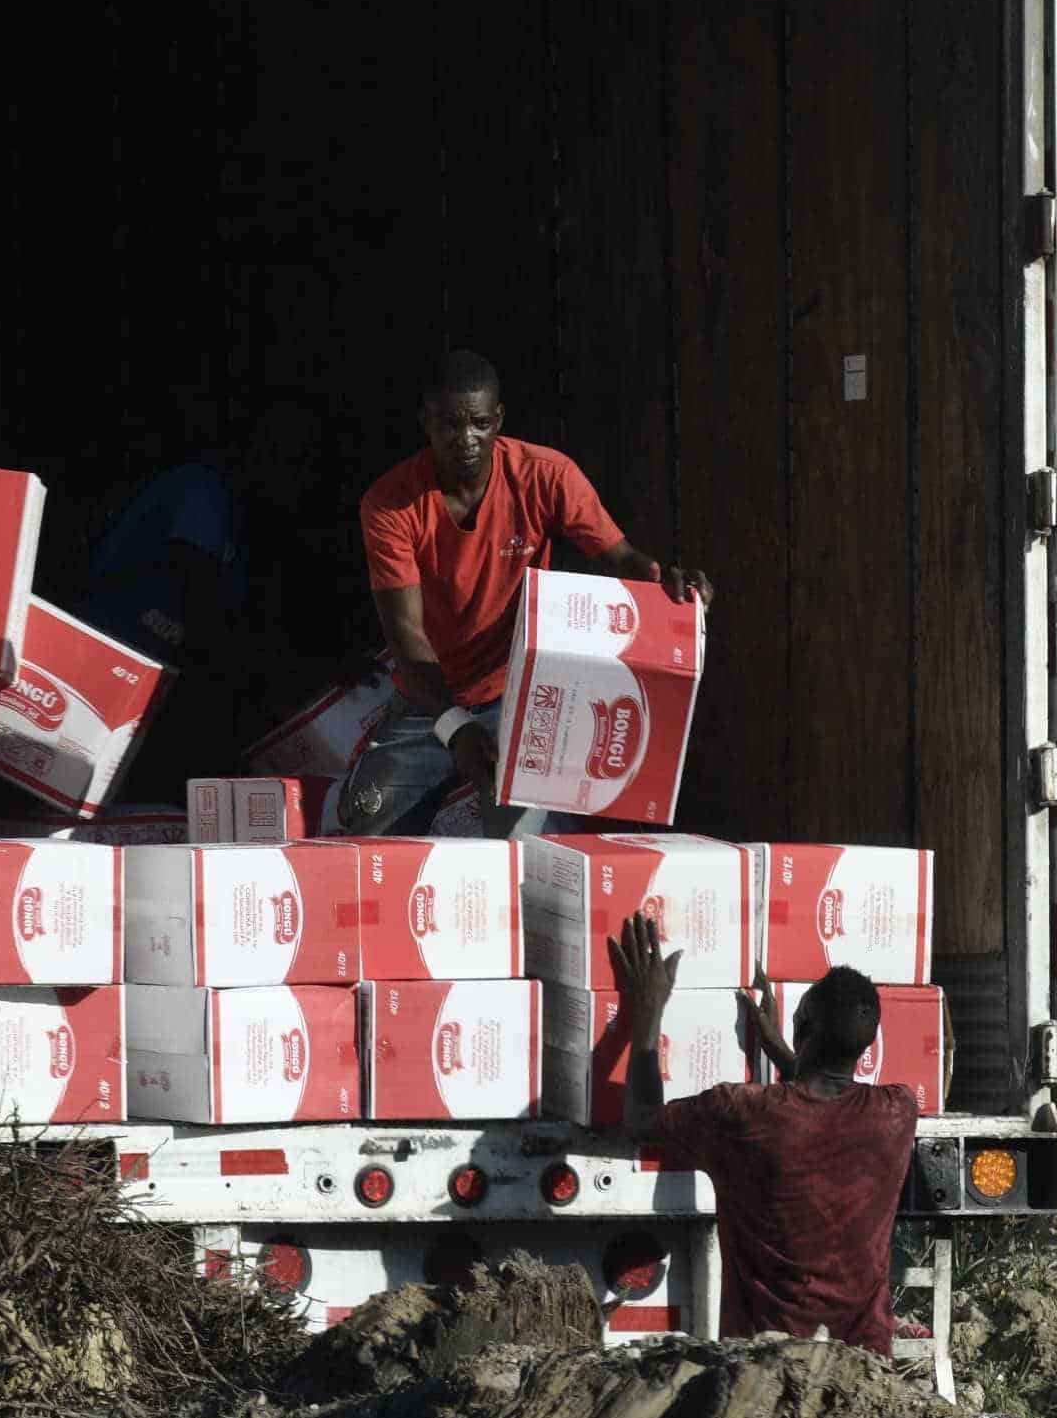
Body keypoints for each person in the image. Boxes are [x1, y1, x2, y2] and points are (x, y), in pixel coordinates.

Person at [340, 350, 708, 836]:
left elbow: (622, 559)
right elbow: (407, 639)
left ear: (498, 420)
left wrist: (667, 584)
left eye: (478, 423)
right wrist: (455, 728)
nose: (466, 439)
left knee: (533, 853)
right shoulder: (390, 503)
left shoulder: (545, 474)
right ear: (426, 423)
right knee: (364, 832)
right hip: (430, 704)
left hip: (526, 701)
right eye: (450, 424)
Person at [610, 913, 918, 1352]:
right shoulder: (898, 1114)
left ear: (803, 1026)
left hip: (761, 1368)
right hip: (860, 1369)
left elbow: (640, 1120)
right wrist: (782, 1051)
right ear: (865, 1044)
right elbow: (825, 1103)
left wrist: (647, 1011)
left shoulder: (741, 1115)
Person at [78, 400, 333, 784]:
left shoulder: (241, 520)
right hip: (100, 674)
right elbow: (205, 628)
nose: (304, 477)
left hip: (147, 686)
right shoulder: (203, 492)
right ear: (260, 449)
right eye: (295, 460)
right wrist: (309, 677)